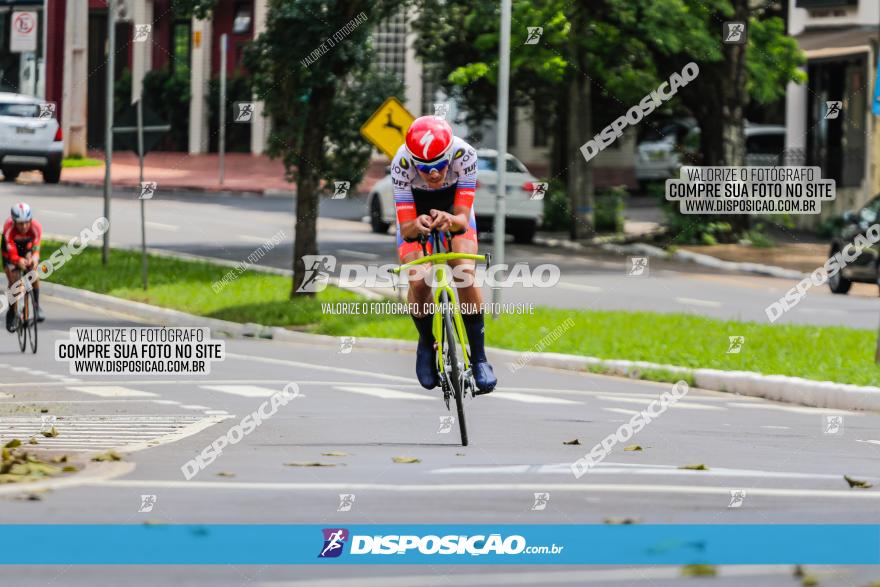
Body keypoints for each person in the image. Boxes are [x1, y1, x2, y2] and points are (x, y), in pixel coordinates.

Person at [391, 116, 496, 394]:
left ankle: (480, 357)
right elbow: (406, 226)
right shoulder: (400, 163)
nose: (434, 173)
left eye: (439, 165)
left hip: (454, 208)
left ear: (450, 155)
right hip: (416, 209)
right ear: (413, 162)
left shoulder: (465, 154)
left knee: (463, 272)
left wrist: (449, 219)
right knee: (419, 278)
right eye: (424, 168)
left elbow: (462, 218)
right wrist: (418, 224)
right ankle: (426, 342)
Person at [3, 202, 44, 331]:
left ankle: (36, 306)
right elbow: (12, 253)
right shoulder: (9, 228)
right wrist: (17, 261)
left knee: (34, 273)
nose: (24, 226)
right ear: (14, 222)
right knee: (14, 279)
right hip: (11, 250)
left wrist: (33, 259)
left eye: (27, 222)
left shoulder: (36, 227)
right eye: (20, 223)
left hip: (27, 248)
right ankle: (12, 312)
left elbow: (36, 249)